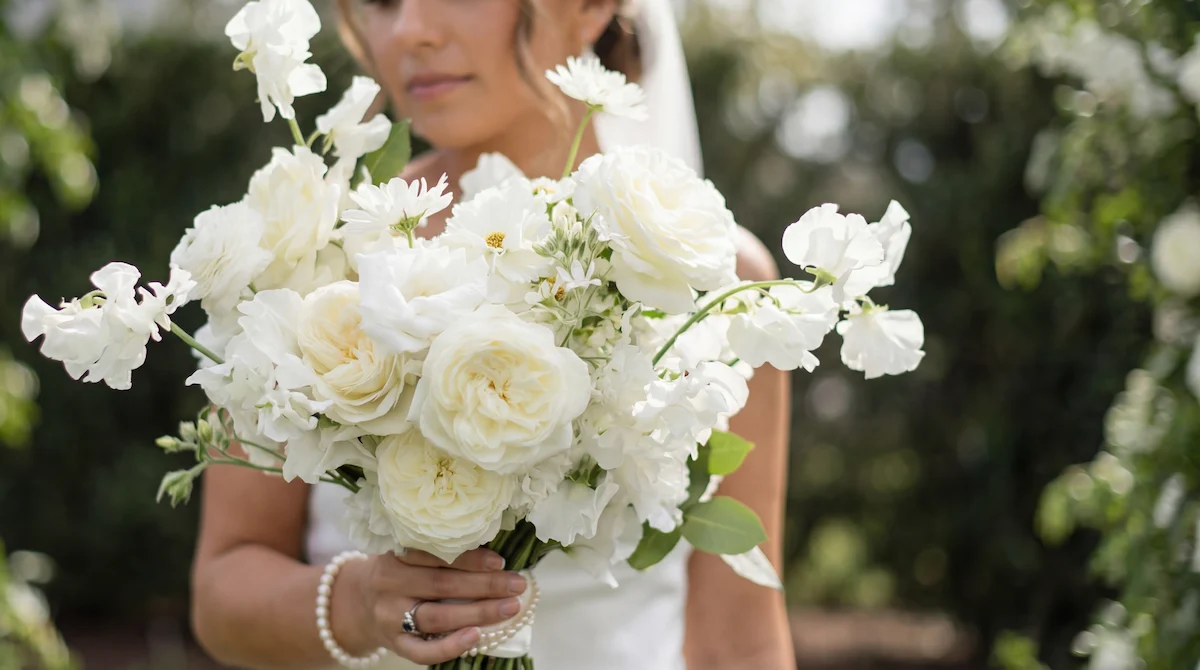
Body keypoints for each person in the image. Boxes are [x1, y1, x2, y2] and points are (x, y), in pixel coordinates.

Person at [190, 1, 794, 668]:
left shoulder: (720, 285)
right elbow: (222, 591)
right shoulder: (315, 253)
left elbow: (741, 642)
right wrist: (359, 605)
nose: (410, 30)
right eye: (382, 1)